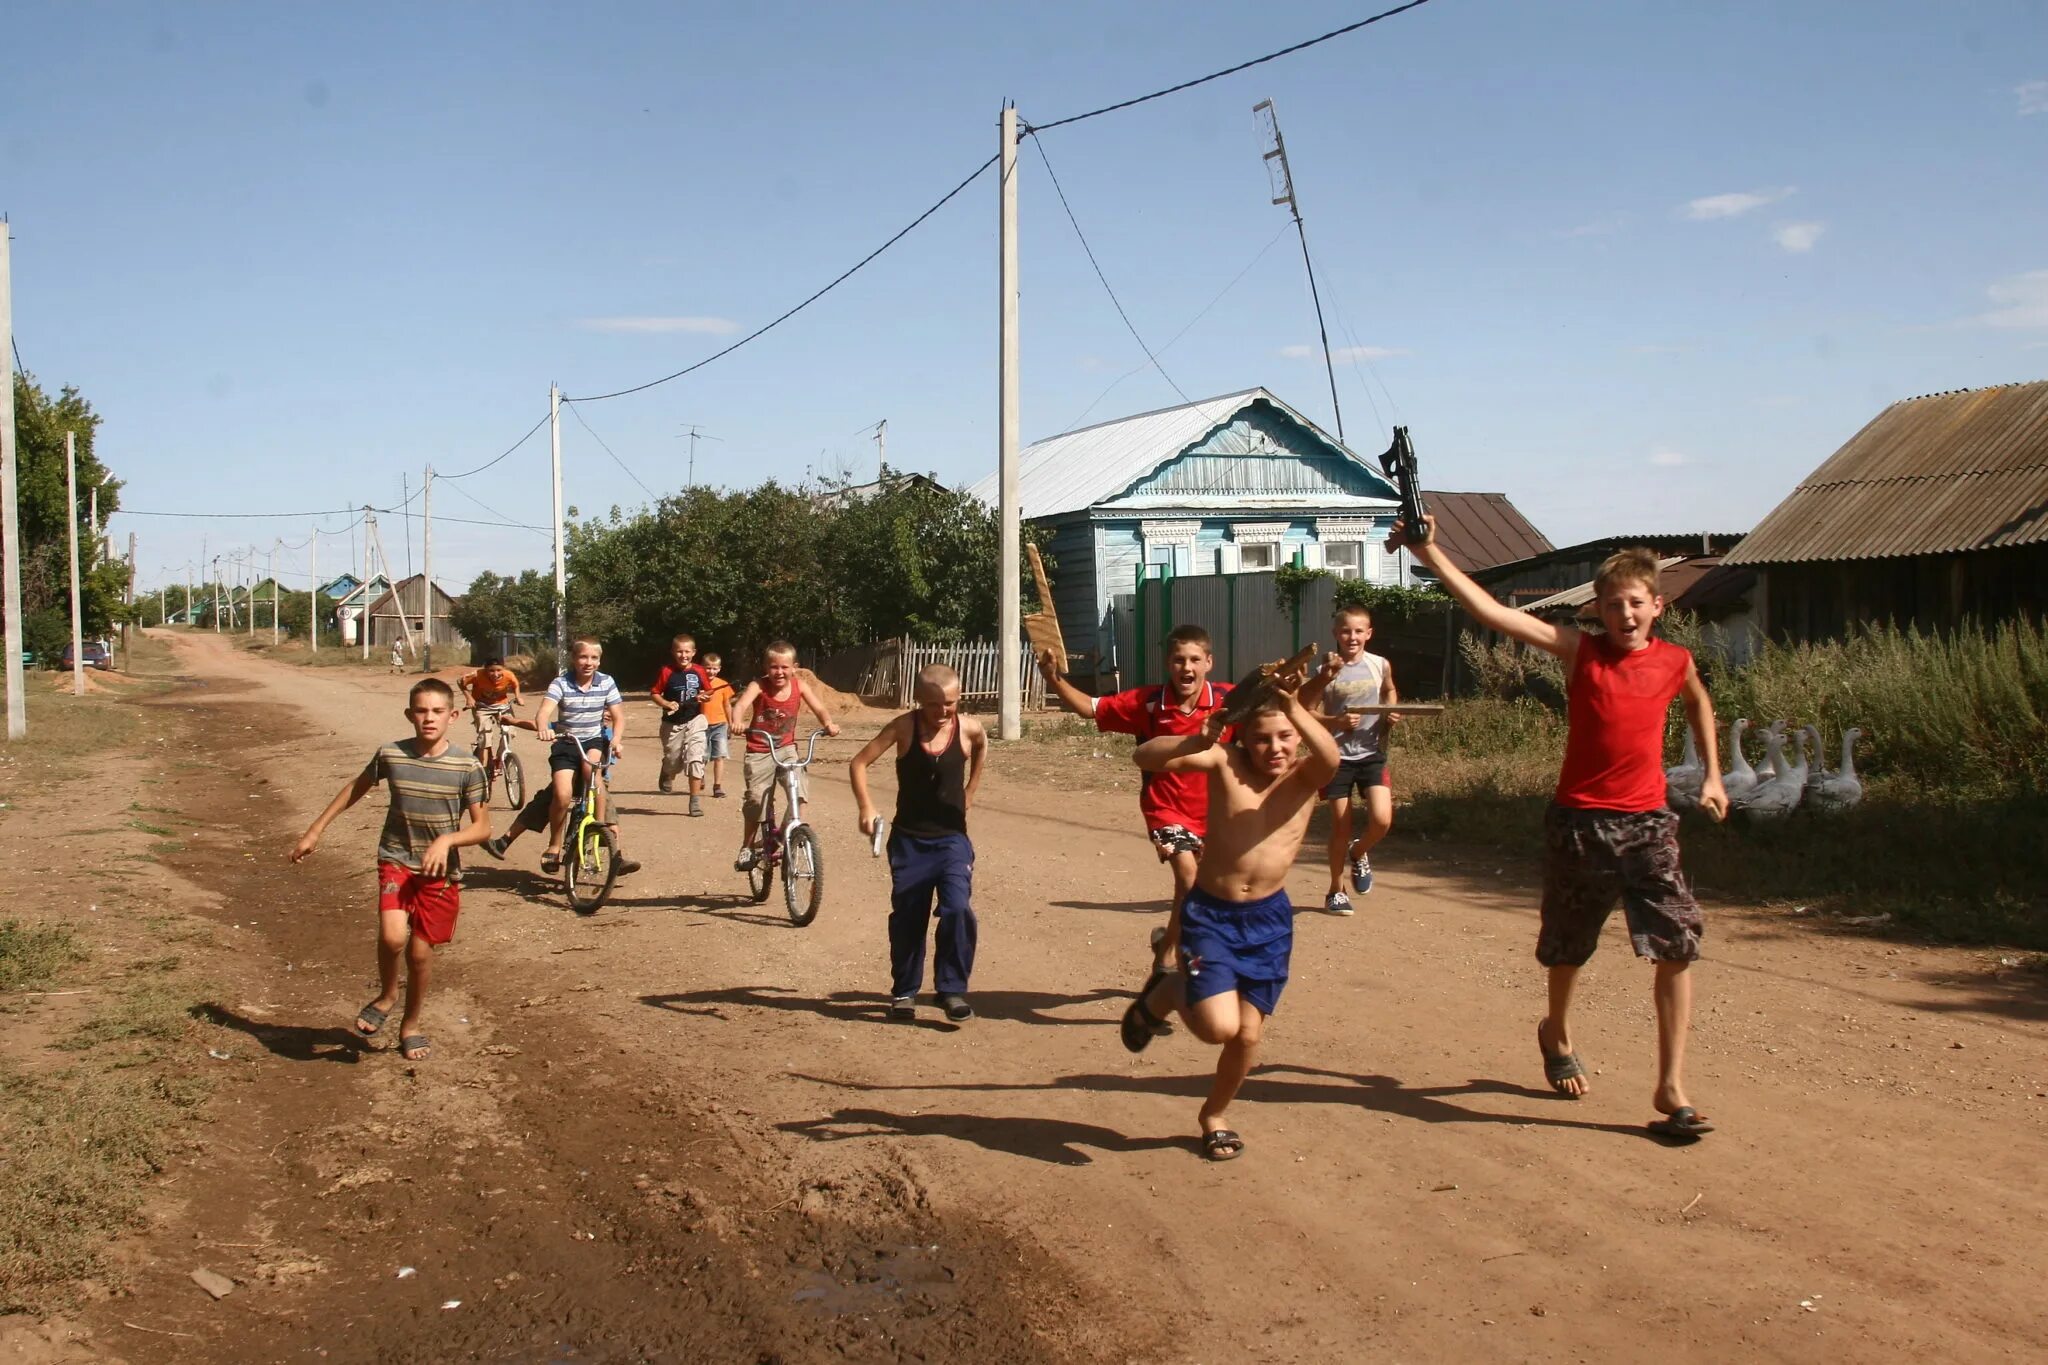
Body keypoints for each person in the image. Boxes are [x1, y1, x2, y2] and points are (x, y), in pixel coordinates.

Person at [1394, 513, 1727, 1141]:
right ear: (1595, 609)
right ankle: (1556, 1029)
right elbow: (1496, 615)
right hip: (1581, 823)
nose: (1624, 614)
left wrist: (1713, 774)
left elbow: (1699, 701)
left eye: (1635, 603)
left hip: (1651, 825)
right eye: (1611, 604)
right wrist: (1431, 553)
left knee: (1678, 946)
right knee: (1569, 947)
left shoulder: (1675, 660)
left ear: (1657, 605)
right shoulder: (1582, 651)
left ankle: (1671, 1086)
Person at [1118, 663, 1339, 1161]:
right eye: (1263, 740)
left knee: (1248, 1034)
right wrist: (1198, 739)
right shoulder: (1224, 762)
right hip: (1212, 916)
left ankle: (1214, 1115)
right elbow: (1143, 756)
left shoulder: (1306, 776)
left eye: (1285, 737)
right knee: (1219, 1028)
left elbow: (1330, 754)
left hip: (1268, 923)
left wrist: (1292, 705)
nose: (1276, 748)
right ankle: (1172, 989)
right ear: (1244, 740)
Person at [288, 678, 489, 1063]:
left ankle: (410, 1024)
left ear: (454, 715)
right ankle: (387, 994)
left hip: (439, 873)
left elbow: (483, 828)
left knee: (419, 953)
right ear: (409, 714)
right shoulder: (391, 755)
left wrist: (447, 841)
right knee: (393, 937)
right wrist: (316, 830)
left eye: (437, 711)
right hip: (395, 859)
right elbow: (355, 787)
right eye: (421, 711)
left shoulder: (467, 766)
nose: (428, 719)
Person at [1039, 625, 1231, 972]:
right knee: (1188, 878)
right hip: (1166, 808)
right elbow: (1090, 708)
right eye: (1178, 660)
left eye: (1194, 660)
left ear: (1209, 662)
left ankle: (1166, 949)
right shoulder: (1147, 703)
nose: (1186, 668)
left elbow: (1279, 714)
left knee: (1198, 890)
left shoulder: (1227, 702)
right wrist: (1054, 679)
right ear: (1167, 663)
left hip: (1215, 816)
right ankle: (1184, 957)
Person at [849, 664, 989, 1022]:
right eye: (934, 705)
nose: (943, 712)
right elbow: (859, 763)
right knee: (909, 918)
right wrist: (866, 806)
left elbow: (982, 744)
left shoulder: (968, 728)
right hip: (910, 841)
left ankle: (952, 989)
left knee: (958, 908)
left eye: (951, 704)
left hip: (952, 840)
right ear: (918, 700)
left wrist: (970, 791)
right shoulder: (903, 728)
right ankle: (905, 992)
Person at [484, 636, 641, 878]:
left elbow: (619, 717)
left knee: (594, 779)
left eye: (594, 658)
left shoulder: (606, 683)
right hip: (567, 745)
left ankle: (601, 837)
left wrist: (617, 741)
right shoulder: (561, 683)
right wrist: (545, 727)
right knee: (560, 794)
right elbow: (544, 712)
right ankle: (554, 844)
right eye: (583, 657)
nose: (588, 662)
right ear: (573, 659)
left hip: (593, 743)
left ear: (600, 661)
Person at [1310, 604, 1399, 915]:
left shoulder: (1379, 665)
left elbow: (1389, 691)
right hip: (1337, 758)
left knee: (1382, 820)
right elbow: (1306, 712)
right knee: (1340, 826)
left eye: (1359, 631)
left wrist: (1390, 713)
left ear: (1369, 634)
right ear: (1336, 633)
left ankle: (1359, 852)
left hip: (1372, 754)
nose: (1352, 636)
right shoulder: (1326, 671)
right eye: (1346, 631)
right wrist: (1335, 722)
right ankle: (1335, 890)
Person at [730, 641, 839, 871]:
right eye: (773, 667)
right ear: (766, 668)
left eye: (784, 667)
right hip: (759, 750)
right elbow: (740, 705)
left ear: (794, 668)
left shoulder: (800, 686)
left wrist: (828, 723)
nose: (779, 672)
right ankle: (747, 847)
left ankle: (783, 835)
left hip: (787, 749)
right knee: (756, 800)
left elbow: (819, 708)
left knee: (799, 793)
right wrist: (736, 721)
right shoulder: (758, 686)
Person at [650, 634, 711, 816]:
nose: (683, 655)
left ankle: (694, 801)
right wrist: (666, 704)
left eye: (687, 651)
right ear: (673, 652)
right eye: (679, 651)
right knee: (673, 760)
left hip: (695, 719)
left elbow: (708, 690)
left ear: (693, 652)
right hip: (672, 723)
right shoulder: (667, 671)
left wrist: (703, 696)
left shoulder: (699, 670)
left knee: (695, 757)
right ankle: (667, 771)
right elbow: (654, 693)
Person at [459, 657, 523, 754]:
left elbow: (516, 685)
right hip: (482, 707)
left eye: (499, 670)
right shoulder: (477, 675)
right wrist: (469, 698)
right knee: (485, 737)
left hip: (502, 706)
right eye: (491, 671)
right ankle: (483, 766)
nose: (496, 674)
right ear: (485, 670)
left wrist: (518, 696)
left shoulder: (509, 675)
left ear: (504, 669)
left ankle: (500, 759)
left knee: (509, 731)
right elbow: (460, 682)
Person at [700, 652, 737, 798]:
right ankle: (699, 776)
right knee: (701, 756)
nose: (711, 671)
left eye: (714, 668)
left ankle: (717, 786)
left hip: (720, 725)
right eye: (708, 668)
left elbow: (727, 705)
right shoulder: (698, 684)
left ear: (719, 669)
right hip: (702, 725)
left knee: (719, 756)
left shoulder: (723, 685)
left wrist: (730, 723)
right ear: (702, 668)